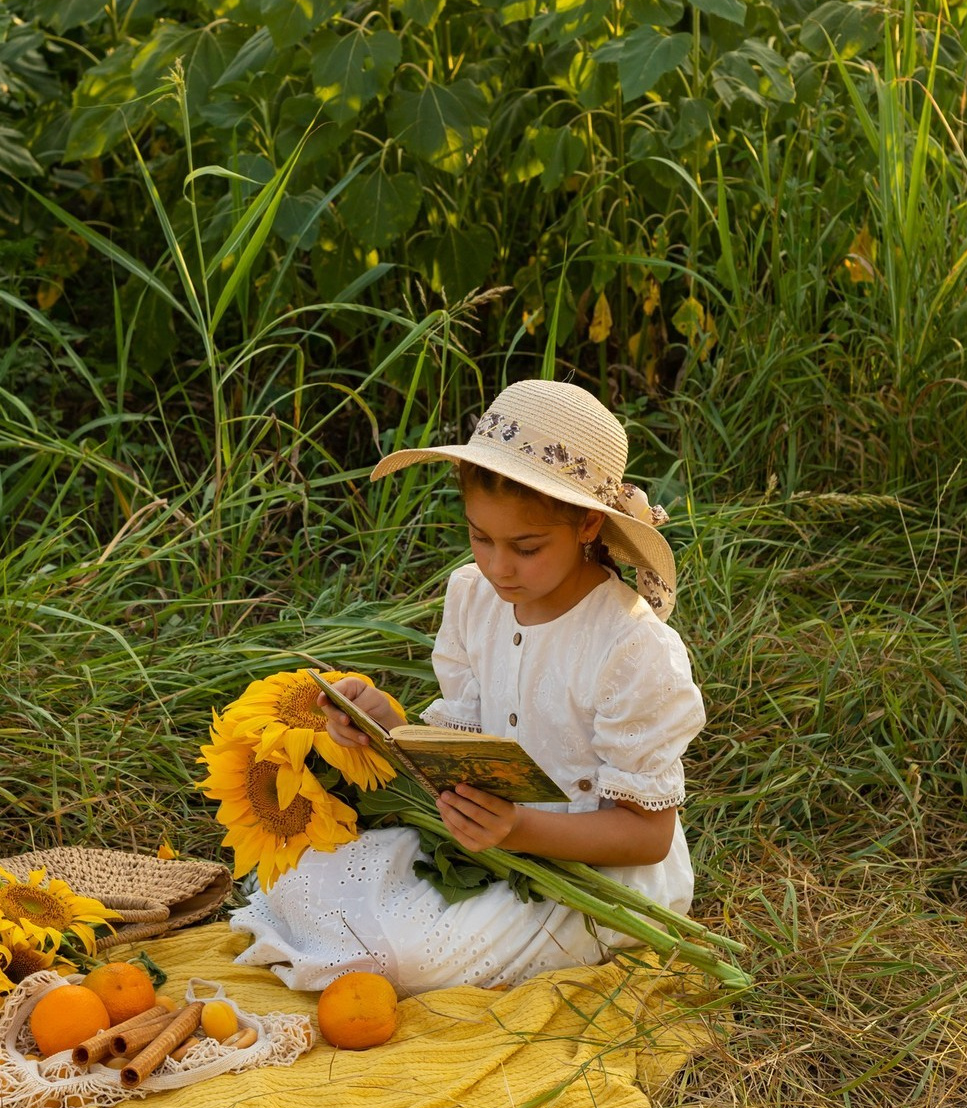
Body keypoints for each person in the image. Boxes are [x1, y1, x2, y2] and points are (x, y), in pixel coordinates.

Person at [230, 379, 705, 993]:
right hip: (482, 837)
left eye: (526, 547)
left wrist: (520, 830)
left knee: (400, 957)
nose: (498, 566)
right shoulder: (475, 598)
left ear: (588, 524)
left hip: (594, 874)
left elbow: (648, 835)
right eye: (481, 537)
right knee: (298, 879)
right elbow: (462, 747)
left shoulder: (631, 647)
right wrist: (383, 723)